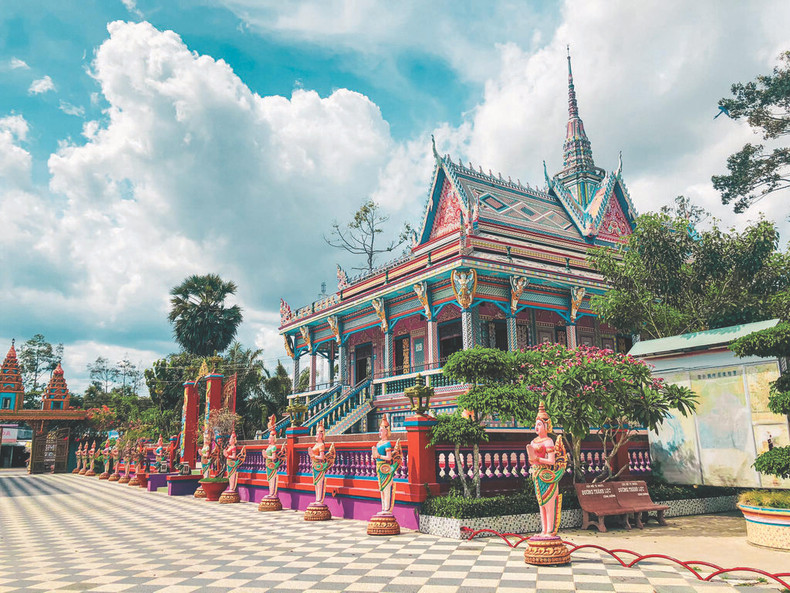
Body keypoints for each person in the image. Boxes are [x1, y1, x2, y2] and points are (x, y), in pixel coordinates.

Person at [527, 402, 567, 536]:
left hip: (548, 475)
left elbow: (551, 461)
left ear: (546, 426)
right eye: (536, 424)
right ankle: (543, 530)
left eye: (539, 424)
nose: (536, 427)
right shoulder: (533, 441)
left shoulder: (548, 441)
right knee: (541, 504)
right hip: (537, 475)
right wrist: (533, 460)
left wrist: (538, 460)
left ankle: (550, 530)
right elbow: (532, 460)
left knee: (549, 504)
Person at [371, 417, 401, 514]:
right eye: (379, 431)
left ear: (386, 431)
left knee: (387, 488)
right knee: (382, 489)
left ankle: (387, 509)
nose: (379, 433)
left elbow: (389, 458)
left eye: (381, 430)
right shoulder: (378, 443)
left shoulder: (387, 443)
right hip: (379, 467)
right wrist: (374, 455)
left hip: (386, 468)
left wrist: (378, 455)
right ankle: (383, 508)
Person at [308, 423, 334, 504]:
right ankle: (317, 499)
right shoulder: (316, 444)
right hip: (315, 466)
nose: (315, 436)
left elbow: (322, 457)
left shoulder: (321, 445)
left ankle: (319, 500)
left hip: (320, 466)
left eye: (317, 434)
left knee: (320, 483)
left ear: (320, 435)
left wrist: (313, 455)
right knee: (316, 483)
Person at [264, 415, 285, 499]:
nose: (268, 439)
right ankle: (270, 492)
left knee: (272, 479)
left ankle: (272, 493)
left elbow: (274, 457)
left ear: (273, 438)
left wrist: (266, 456)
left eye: (270, 437)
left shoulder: (273, 447)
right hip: (268, 465)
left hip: (272, 464)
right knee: (269, 479)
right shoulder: (269, 446)